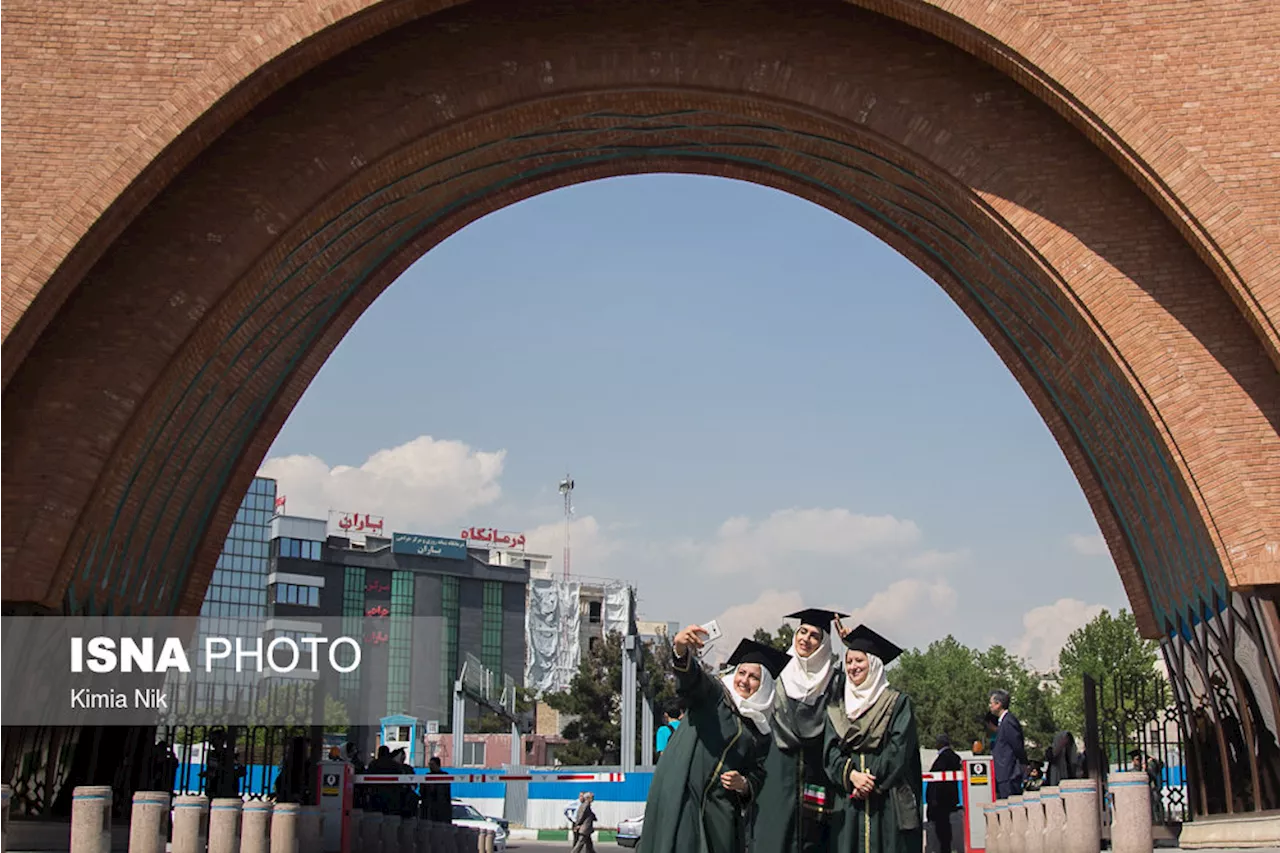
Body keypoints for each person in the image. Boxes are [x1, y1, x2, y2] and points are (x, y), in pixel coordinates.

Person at [636, 630, 788, 853]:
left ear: (764, 685)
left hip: (719, 813)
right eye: (741, 672)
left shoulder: (761, 730)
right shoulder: (716, 696)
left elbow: (758, 774)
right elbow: (693, 680)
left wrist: (743, 784)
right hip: (682, 794)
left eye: (753, 677)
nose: (744, 681)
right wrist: (680, 651)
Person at [754, 608, 848, 853]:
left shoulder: (835, 681)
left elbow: (863, 691)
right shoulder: (776, 675)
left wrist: (851, 647)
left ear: (824, 643)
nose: (805, 639)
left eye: (814, 635)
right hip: (776, 772)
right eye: (802, 632)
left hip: (817, 776)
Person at [824, 624, 922, 853]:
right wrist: (851, 776)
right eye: (849, 661)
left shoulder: (897, 703)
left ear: (874, 664)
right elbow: (830, 751)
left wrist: (869, 782)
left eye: (859, 661)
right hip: (849, 800)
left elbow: (899, 749)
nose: (852, 667)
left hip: (887, 799)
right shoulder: (837, 707)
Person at [926, 734, 963, 853]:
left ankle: (944, 849)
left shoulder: (943, 758)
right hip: (948, 799)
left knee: (942, 827)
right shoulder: (954, 757)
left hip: (940, 799)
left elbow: (937, 781)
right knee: (945, 825)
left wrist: (933, 798)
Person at [989, 689, 1027, 798]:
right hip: (1003, 773)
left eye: (991, 703)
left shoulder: (1009, 721)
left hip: (1009, 773)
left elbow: (1017, 745)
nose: (990, 706)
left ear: (998, 704)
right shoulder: (1003, 722)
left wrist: (1024, 763)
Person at [422, 755, 453, 822]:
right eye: (429, 764)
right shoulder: (427, 776)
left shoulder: (444, 776)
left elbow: (446, 793)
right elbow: (422, 791)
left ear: (437, 765)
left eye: (432, 764)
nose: (430, 767)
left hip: (441, 808)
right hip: (429, 808)